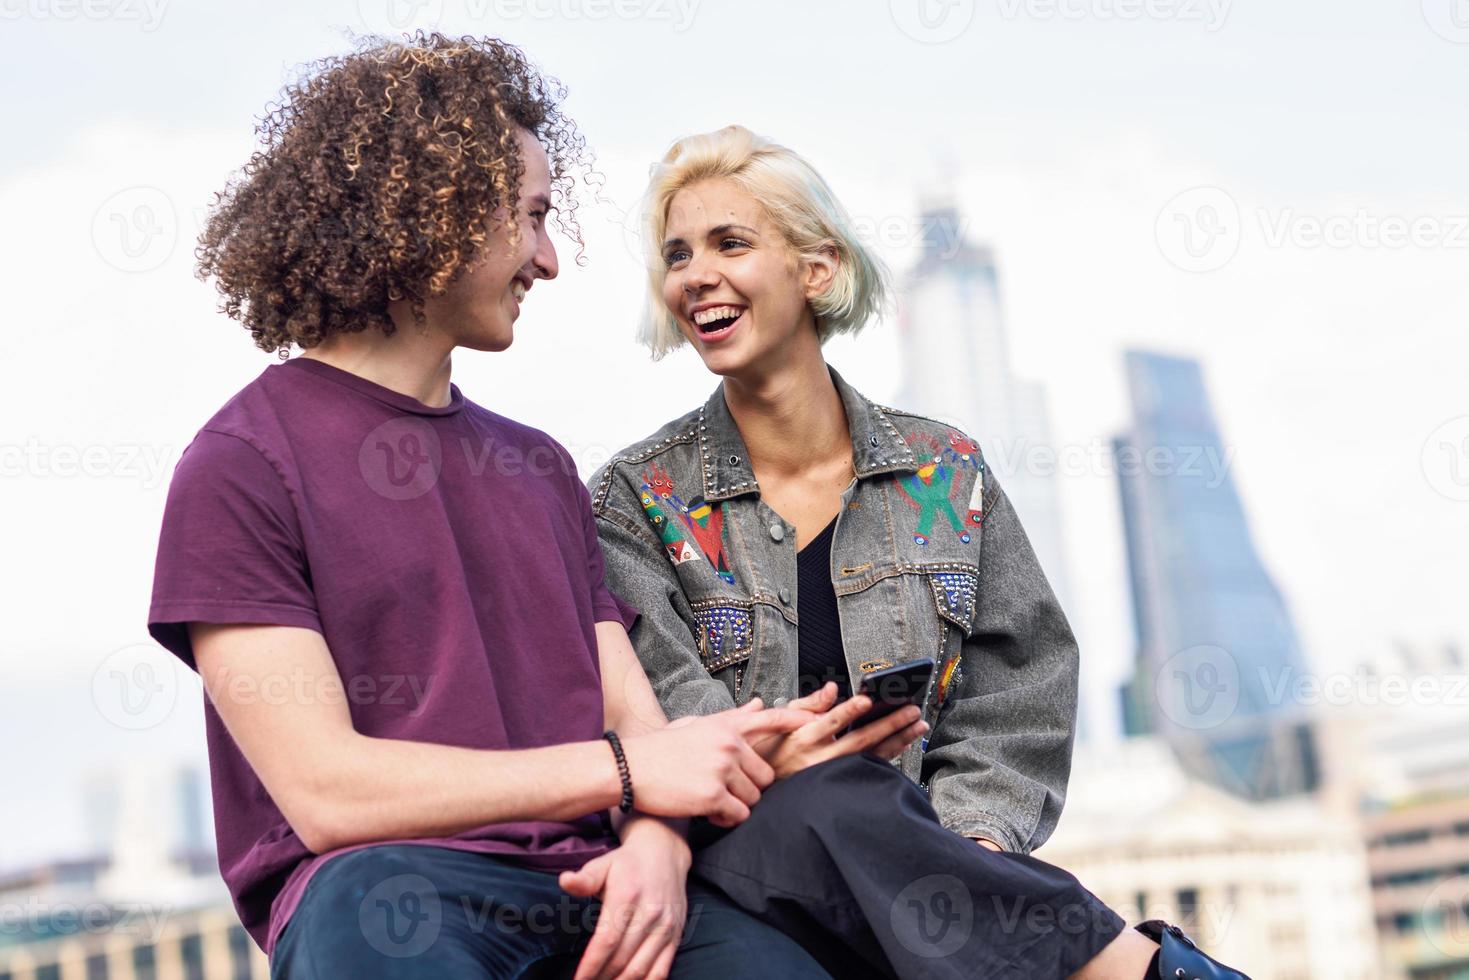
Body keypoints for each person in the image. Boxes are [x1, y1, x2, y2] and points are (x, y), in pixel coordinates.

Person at [147, 36, 834, 980]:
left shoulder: (539, 467)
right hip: (382, 893)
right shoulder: (239, 467)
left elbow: (638, 726)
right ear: (436, 215)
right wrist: (629, 775)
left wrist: (657, 848)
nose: (549, 262)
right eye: (533, 218)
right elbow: (324, 792)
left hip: (594, 886)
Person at [590, 124, 1253, 979]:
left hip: (922, 866)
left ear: (815, 268)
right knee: (830, 793)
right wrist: (765, 760)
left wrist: (972, 838)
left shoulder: (945, 471)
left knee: (861, 806)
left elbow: (1019, 690)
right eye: (676, 255)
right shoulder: (635, 499)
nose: (694, 276)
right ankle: (1143, 970)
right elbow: (659, 716)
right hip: (740, 863)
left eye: (729, 243)